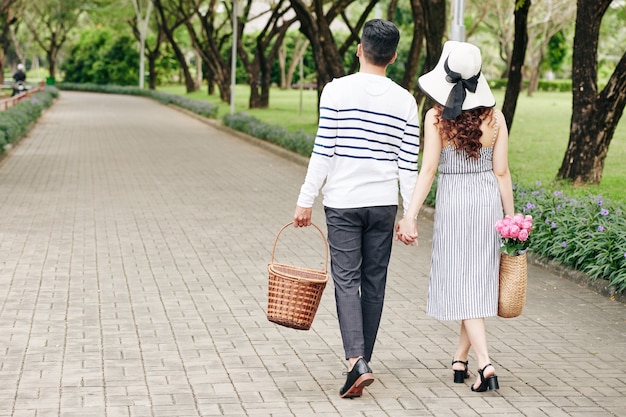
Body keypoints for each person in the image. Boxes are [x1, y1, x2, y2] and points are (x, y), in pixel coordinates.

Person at [293, 19, 420, 399]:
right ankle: (361, 361)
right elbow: (407, 166)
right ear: (394, 56)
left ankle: (355, 362)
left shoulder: (335, 90)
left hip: (343, 203)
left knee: (346, 280)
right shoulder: (405, 100)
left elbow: (323, 150)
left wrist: (305, 199)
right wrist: (410, 214)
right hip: (383, 204)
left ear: (359, 50)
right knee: (374, 283)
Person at [396, 41, 514, 393]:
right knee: (475, 281)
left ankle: (485, 364)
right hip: (487, 202)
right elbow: (503, 173)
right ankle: (459, 359)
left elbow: (429, 168)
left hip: (455, 202)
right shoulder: (496, 118)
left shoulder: (436, 117)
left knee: (463, 283)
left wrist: (410, 214)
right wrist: (511, 221)